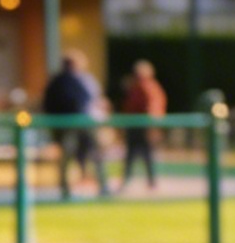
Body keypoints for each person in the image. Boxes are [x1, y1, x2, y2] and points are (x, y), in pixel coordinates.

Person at [39, 49, 109, 197]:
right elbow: (50, 104)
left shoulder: (86, 80)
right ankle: (65, 189)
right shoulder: (58, 82)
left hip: (87, 124)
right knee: (67, 156)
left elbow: (96, 100)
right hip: (67, 126)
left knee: (94, 154)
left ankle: (103, 186)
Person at [117, 58, 168, 190]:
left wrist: (152, 126)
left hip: (145, 126)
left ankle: (151, 182)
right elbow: (129, 107)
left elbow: (154, 107)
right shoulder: (134, 87)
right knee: (131, 155)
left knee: (147, 155)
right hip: (134, 126)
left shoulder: (150, 87)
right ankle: (127, 180)